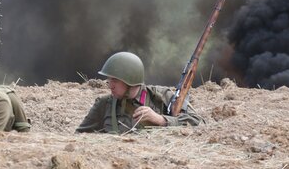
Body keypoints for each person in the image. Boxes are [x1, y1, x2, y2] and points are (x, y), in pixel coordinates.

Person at [76, 51, 204, 133]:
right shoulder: (104, 104)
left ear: (129, 80)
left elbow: (199, 123)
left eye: (115, 80)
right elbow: (80, 137)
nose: (110, 85)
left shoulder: (161, 96)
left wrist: (161, 120)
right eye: (109, 79)